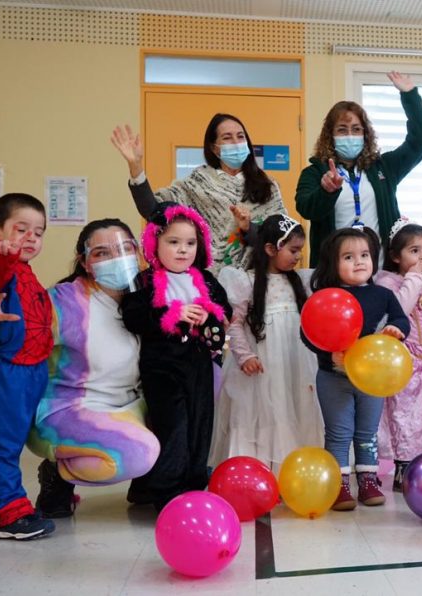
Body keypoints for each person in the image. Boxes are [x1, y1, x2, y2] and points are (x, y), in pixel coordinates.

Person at [27, 220, 160, 518]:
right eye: (102, 253)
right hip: (69, 410)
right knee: (140, 452)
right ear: (85, 262)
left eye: (125, 249)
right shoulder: (64, 301)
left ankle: (148, 483)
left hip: (129, 406)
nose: (117, 258)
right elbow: (15, 338)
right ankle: (57, 475)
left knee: (200, 385)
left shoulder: (142, 297)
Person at [121, 203, 231, 511]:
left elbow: (225, 311)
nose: (183, 250)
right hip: (162, 366)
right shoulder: (144, 280)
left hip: (199, 363)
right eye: (174, 242)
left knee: (200, 424)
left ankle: (193, 485)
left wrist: (208, 314)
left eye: (190, 243)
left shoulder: (206, 279)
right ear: (155, 243)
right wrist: (173, 313)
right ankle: (166, 491)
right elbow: (132, 315)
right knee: (173, 427)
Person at [302, 227, 410, 510]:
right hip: (333, 378)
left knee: (367, 433)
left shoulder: (383, 295)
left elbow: (402, 320)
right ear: (332, 264)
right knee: (338, 432)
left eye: (364, 255)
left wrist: (395, 329)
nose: (359, 261)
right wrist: (329, 352)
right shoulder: (326, 296)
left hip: (371, 382)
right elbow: (307, 333)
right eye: (348, 257)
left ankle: (368, 481)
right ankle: (338, 485)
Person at [210, 214, 323, 473]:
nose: (298, 257)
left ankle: (294, 472)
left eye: (300, 251)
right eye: (293, 250)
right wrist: (244, 355)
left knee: (296, 408)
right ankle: (256, 471)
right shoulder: (245, 282)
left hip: (295, 361)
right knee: (262, 415)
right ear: (271, 249)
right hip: (262, 363)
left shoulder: (302, 281)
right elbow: (234, 324)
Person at [111, 113, 287, 272]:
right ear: (214, 148)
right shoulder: (195, 184)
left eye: (241, 137)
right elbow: (151, 210)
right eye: (227, 137)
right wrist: (136, 167)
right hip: (207, 283)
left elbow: (283, 237)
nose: (236, 142)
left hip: (256, 280)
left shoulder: (267, 186)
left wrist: (249, 228)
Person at [296, 72, 422, 265]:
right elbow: (305, 209)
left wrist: (410, 96)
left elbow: (420, 143)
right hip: (333, 275)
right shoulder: (314, 172)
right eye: (342, 129)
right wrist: (325, 192)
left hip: (381, 273)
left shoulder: (384, 167)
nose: (350, 135)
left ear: (365, 135)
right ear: (330, 135)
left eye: (356, 129)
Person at [0, 193, 54, 540]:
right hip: (6, 369)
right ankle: (10, 512)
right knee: (3, 443)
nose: (31, 238)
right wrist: (2, 257)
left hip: (32, 371)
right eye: (21, 229)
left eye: (38, 233)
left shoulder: (26, 272)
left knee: (9, 438)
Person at [375, 218, 422, 491]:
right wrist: (415, 278)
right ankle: (404, 468)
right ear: (395, 256)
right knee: (406, 421)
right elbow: (400, 310)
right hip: (405, 368)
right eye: (414, 250)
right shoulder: (387, 284)